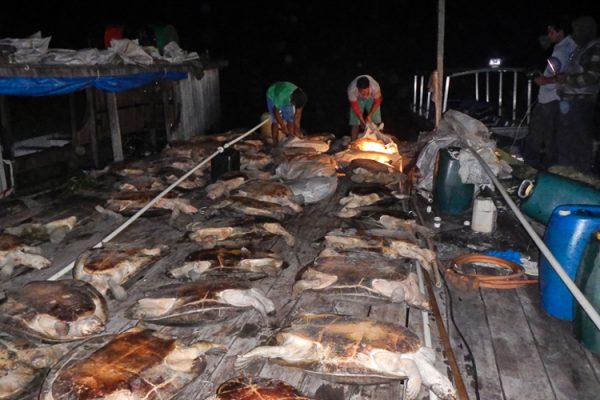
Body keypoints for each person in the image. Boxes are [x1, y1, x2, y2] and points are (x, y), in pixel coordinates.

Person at [522, 18, 576, 170]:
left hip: (550, 98)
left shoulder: (561, 50)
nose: (549, 35)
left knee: (538, 132)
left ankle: (532, 165)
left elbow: (559, 73)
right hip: (560, 98)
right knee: (552, 133)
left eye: (551, 32)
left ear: (560, 32)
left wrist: (543, 80)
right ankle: (551, 165)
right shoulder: (572, 46)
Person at [554, 16, 600, 172]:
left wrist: (566, 79)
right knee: (565, 139)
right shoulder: (581, 48)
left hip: (582, 102)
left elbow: (593, 76)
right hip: (569, 101)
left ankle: (582, 173)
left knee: (581, 140)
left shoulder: (595, 48)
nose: (574, 34)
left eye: (577, 30)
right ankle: (565, 172)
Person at [266, 81, 307, 146]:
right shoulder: (282, 96)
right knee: (275, 121)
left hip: (289, 97)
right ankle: (275, 143)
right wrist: (283, 126)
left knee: (290, 119)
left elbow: (297, 117)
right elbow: (275, 111)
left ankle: (290, 140)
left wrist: (297, 132)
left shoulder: (301, 98)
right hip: (273, 94)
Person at [347, 75, 382, 140]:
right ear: (357, 89)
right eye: (361, 92)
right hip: (358, 99)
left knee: (376, 120)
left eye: (365, 92)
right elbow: (355, 106)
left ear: (369, 88)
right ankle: (353, 141)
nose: (363, 94)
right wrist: (361, 119)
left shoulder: (375, 86)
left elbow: (377, 101)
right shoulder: (351, 90)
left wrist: (370, 115)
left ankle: (378, 140)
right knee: (355, 122)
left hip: (371, 98)